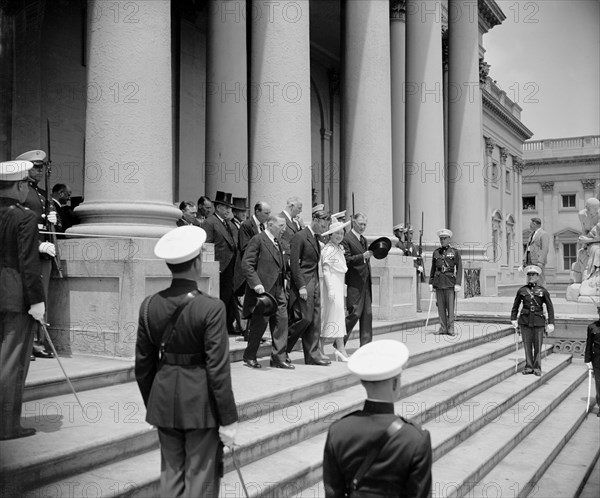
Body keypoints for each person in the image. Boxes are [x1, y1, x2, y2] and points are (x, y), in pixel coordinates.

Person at [135, 225, 238, 497]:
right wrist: (228, 419)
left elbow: (143, 365)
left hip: (164, 399)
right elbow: (217, 368)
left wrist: (152, 404)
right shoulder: (212, 307)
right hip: (200, 403)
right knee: (201, 480)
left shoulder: (148, 305)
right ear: (197, 263)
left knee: (171, 476)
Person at [323, 340, 432, 497]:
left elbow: (333, 493)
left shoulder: (338, 431)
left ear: (363, 382)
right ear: (395, 382)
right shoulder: (415, 438)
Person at [0, 160, 46, 440]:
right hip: (15, 294)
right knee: (12, 363)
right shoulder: (24, 217)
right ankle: (6, 425)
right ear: (19, 186)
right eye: (26, 185)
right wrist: (37, 301)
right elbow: (29, 265)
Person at [16, 149, 56, 359]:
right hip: (29, 251)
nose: (40, 171)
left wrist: (54, 219)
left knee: (42, 298)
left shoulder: (41, 194)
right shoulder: (21, 192)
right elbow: (19, 225)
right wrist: (38, 244)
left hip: (44, 255)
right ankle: (27, 343)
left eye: (43, 167)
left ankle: (38, 342)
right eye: (36, 167)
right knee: (27, 298)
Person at [241, 215, 293, 369]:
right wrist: (256, 283)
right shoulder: (258, 239)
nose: (284, 229)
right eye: (281, 226)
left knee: (282, 322)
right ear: (270, 225)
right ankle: (249, 356)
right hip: (263, 291)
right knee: (259, 325)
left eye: (284, 226)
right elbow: (247, 264)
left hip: (279, 289)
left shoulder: (279, 242)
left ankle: (278, 357)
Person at [287, 209, 331, 365]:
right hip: (305, 283)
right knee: (304, 318)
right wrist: (301, 286)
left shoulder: (315, 237)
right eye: (323, 226)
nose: (325, 230)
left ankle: (312, 355)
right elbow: (294, 264)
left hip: (315, 282)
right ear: (316, 220)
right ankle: (282, 347)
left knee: (314, 320)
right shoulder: (300, 236)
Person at [203, 191, 239, 335]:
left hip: (230, 267)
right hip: (219, 267)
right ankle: (218, 328)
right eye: (226, 207)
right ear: (218, 208)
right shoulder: (210, 222)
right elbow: (206, 245)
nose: (229, 210)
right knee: (221, 299)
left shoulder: (228, 223)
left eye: (229, 207)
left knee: (229, 298)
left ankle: (227, 325)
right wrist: (211, 267)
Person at [510, 265, 555, 376]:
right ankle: (529, 366)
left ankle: (537, 367)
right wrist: (513, 319)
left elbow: (550, 307)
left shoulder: (543, 291)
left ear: (537, 276)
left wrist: (551, 323)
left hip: (538, 321)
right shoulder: (522, 290)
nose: (531, 277)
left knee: (538, 345)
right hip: (525, 321)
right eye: (529, 275)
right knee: (527, 345)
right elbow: (515, 306)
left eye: (533, 275)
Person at [320, 220, 351, 361]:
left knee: (339, 317)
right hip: (330, 287)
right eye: (336, 233)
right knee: (328, 317)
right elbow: (326, 270)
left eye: (341, 233)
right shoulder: (329, 249)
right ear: (331, 235)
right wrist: (330, 289)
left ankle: (340, 349)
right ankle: (319, 348)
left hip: (339, 286)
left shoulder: (339, 248)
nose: (339, 235)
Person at [343, 213, 373, 346]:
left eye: (365, 224)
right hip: (354, 282)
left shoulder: (364, 239)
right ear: (353, 222)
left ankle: (366, 345)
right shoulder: (346, 238)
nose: (362, 227)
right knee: (354, 313)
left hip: (365, 282)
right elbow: (346, 260)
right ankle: (339, 342)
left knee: (367, 314)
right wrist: (362, 256)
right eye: (360, 224)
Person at [429, 228, 462, 336]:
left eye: (444, 238)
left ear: (449, 239)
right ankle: (443, 327)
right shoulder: (436, 252)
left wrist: (457, 283)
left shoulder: (454, 252)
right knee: (441, 307)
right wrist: (431, 282)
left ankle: (451, 328)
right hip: (439, 283)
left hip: (449, 283)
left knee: (450, 307)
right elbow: (433, 268)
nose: (442, 240)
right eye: (441, 238)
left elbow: (460, 268)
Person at [522, 217, 549, 286]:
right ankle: (531, 294)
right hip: (529, 260)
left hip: (538, 261)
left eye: (530, 224)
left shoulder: (543, 234)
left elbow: (545, 249)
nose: (529, 226)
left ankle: (542, 294)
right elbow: (528, 247)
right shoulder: (531, 235)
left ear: (534, 224)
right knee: (530, 278)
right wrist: (524, 258)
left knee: (540, 279)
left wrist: (541, 261)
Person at [584, 303, 600, 416]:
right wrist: (587, 360)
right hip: (597, 358)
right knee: (599, 383)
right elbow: (589, 344)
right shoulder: (592, 327)